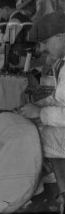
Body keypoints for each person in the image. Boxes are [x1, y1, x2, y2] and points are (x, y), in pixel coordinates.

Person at [18, 12, 65, 160]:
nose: (42, 48)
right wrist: (36, 104)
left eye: (45, 42)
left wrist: (40, 112)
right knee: (19, 132)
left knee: (20, 142)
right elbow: (59, 98)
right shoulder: (62, 62)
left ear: (61, 36)